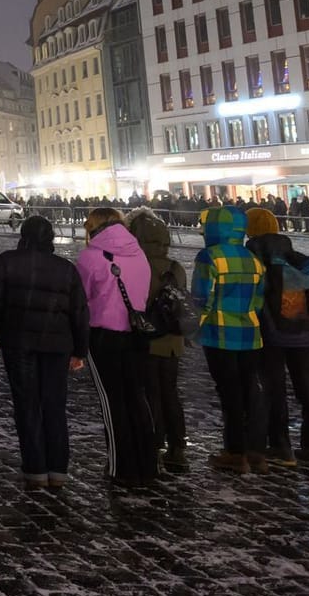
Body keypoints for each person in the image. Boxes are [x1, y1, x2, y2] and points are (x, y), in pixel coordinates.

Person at [0, 215, 89, 490]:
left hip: (19, 341)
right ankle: (58, 467)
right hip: (57, 344)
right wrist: (80, 349)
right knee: (54, 404)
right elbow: (79, 312)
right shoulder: (65, 268)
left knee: (27, 403)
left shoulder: (6, 262)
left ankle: (36, 468)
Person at [75, 207, 159, 488]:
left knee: (113, 402)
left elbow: (81, 298)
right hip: (137, 334)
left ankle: (121, 467)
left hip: (104, 336)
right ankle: (148, 464)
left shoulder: (90, 256)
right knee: (138, 397)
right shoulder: (138, 252)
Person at [245, 207, 309, 470]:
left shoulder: (253, 255)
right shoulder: (298, 257)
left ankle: (280, 446)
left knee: (273, 389)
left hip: (271, 334)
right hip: (303, 333)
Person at [194, 206, 267, 474]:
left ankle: (235, 451)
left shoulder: (209, 257)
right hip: (250, 334)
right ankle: (256, 451)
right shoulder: (253, 258)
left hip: (219, 333)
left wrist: (194, 330)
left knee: (229, 393)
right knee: (250, 391)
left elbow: (202, 299)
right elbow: (259, 300)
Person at [126, 209, 190, 474]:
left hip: (147, 340)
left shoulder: (137, 265)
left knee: (149, 393)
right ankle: (178, 448)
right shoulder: (175, 267)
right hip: (173, 341)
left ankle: (153, 443)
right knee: (171, 393)